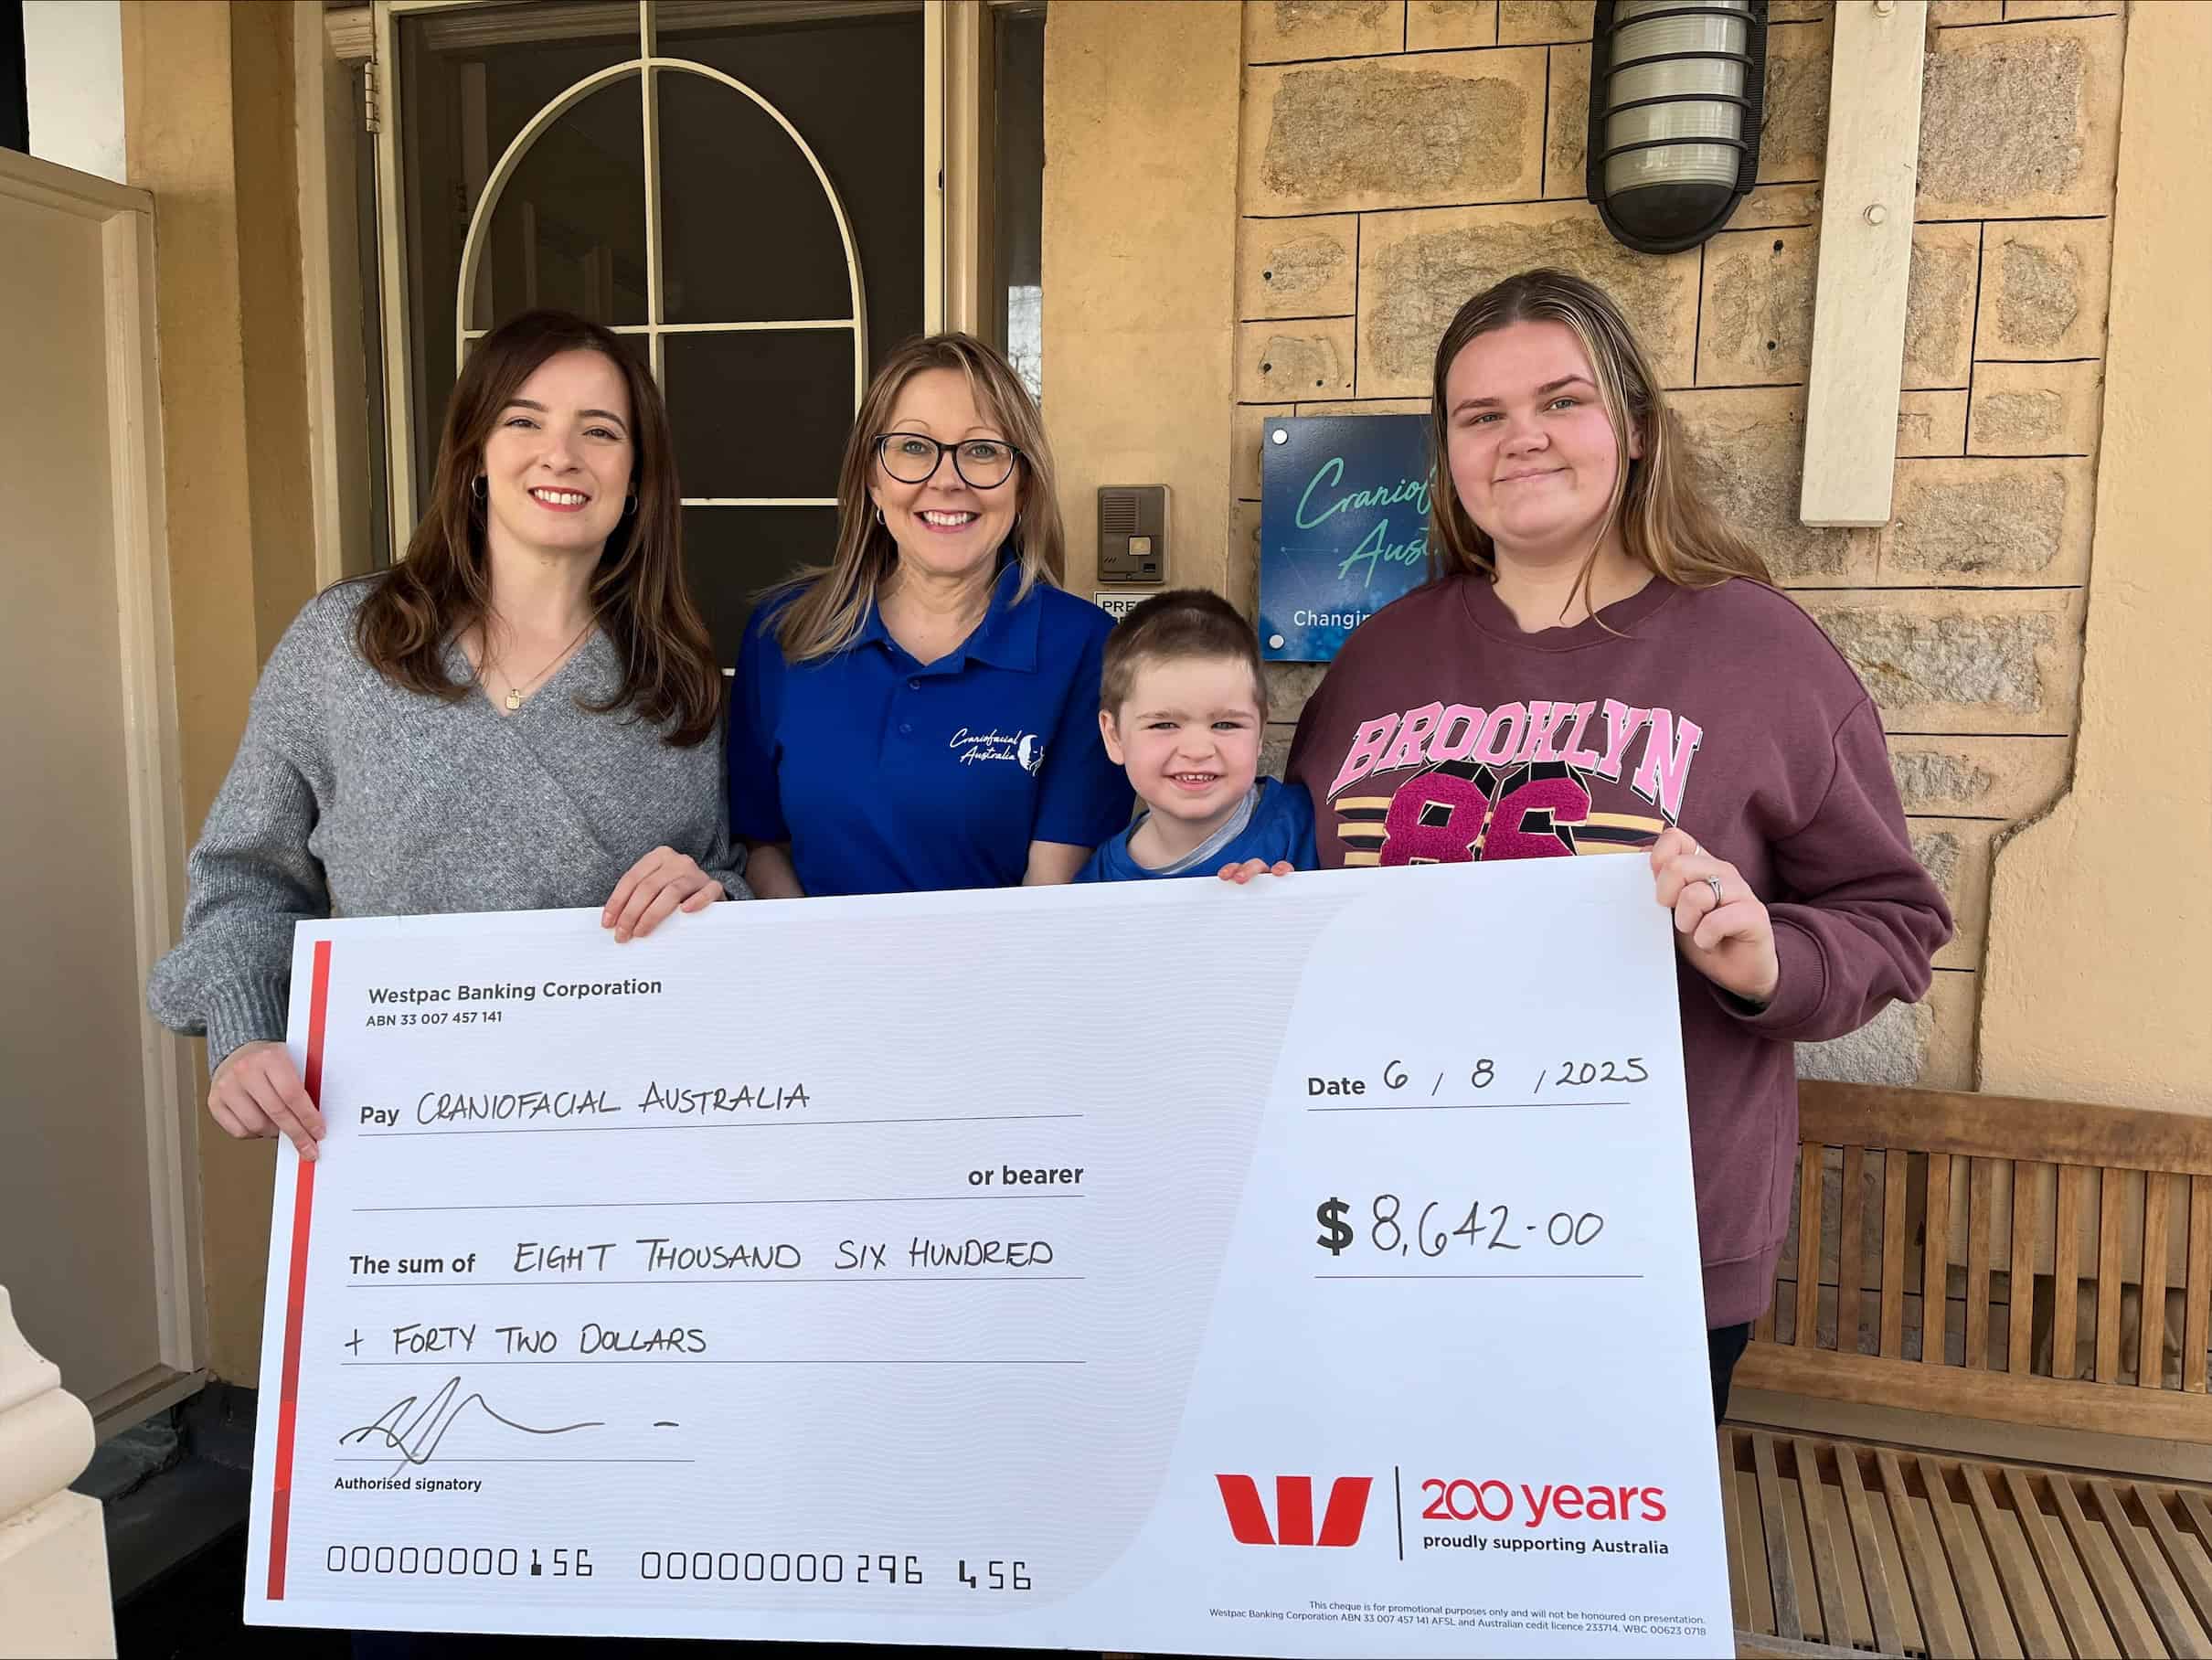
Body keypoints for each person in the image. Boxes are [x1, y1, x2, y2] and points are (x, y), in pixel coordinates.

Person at [1282, 269, 1952, 1421]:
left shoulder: (1756, 651)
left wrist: (1765, 961)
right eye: (1479, 416)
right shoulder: (1380, 660)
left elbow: (1891, 919)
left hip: (1639, 1239)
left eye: (1560, 401)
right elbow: (1306, 899)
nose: (1520, 439)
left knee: (1588, 1596)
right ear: (1445, 452)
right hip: (1392, 1223)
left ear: (1634, 429)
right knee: (1400, 1573)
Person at [148, 308, 746, 1165]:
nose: (561, 455)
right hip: (380, 1137)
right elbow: (245, 879)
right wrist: (243, 1037)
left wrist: (712, 899)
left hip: (621, 1144)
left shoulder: (677, 684)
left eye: (600, 431)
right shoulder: (345, 644)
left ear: (637, 478)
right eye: (524, 421)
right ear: (472, 457)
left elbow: (721, 883)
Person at [727, 333, 1130, 898]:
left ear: (1024, 484)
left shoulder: (1086, 647)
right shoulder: (783, 632)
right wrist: (819, 975)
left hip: (998, 979)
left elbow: (1052, 891)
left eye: (983, 450)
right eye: (914, 447)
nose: (947, 480)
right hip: (818, 978)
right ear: (871, 477)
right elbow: (760, 845)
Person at [1074, 588, 1314, 882]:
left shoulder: (1309, 828)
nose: (1197, 750)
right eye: (1164, 725)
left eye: (1226, 725)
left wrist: (1287, 901)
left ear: (1260, 733)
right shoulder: (1098, 883)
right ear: (1114, 736)